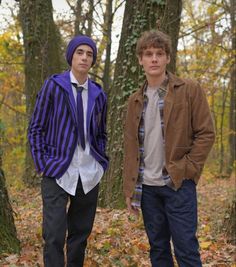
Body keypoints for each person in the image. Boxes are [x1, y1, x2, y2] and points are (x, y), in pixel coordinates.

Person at [123, 30, 215, 267]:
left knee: (186, 250)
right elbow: (132, 148)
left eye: (159, 54)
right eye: (148, 54)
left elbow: (206, 133)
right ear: (140, 60)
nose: (154, 59)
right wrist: (130, 188)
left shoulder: (189, 90)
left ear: (167, 58)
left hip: (177, 184)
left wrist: (188, 169)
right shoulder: (134, 100)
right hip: (148, 190)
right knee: (158, 250)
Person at [28, 35, 109, 267]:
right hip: (57, 169)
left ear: (93, 60)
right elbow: (36, 128)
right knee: (53, 235)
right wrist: (42, 163)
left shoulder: (98, 94)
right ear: (71, 56)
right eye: (80, 52)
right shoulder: (54, 86)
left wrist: (100, 162)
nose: (84, 57)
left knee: (80, 236)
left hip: (89, 172)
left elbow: (101, 133)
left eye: (89, 54)